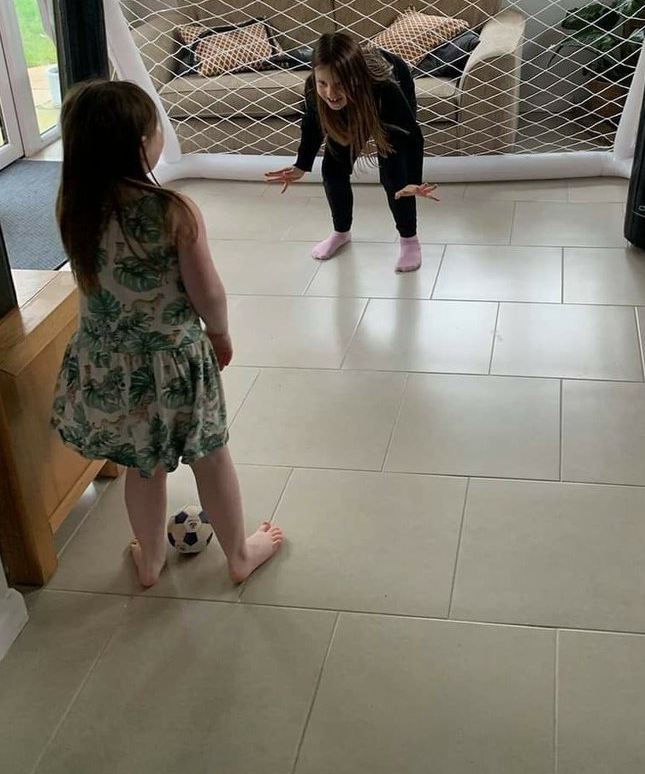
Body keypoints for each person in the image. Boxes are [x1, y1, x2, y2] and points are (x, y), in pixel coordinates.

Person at [51, 80, 283, 589]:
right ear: (141, 145)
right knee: (211, 456)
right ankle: (239, 555)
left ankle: (151, 559)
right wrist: (220, 334)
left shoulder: (74, 207)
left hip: (111, 365)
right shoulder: (173, 210)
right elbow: (208, 291)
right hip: (174, 361)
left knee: (142, 464)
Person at [265, 32, 438, 272]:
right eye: (323, 83)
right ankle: (341, 232)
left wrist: (413, 181)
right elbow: (312, 124)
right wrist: (301, 165)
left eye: (339, 84)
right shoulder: (315, 89)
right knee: (332, 170)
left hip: (381, 100)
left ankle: (409, 240)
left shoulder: (385, 88)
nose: (330, 93)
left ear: (355, 77)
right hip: (350, 109)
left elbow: (411, 135)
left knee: (394, 177)